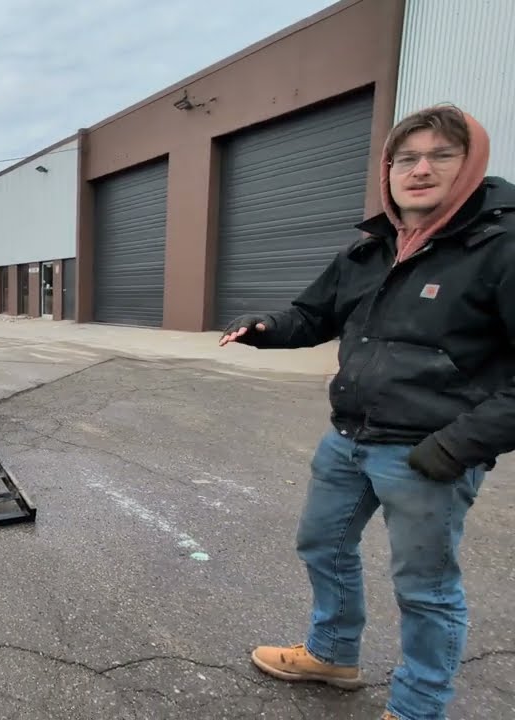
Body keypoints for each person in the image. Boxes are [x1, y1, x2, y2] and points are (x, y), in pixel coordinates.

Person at [219, 104, 515, 720]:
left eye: (441, 156)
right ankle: (332, 654)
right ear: (388, 170)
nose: (421, 169)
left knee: (426, 589)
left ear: (471, 165)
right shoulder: (371, 250)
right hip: (348, 439)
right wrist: (265, 326)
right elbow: (313, 315)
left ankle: (417, 707)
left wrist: (458, 445)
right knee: (321, 545)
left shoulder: (501, 247)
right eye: (407, 158)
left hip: (431, 453)